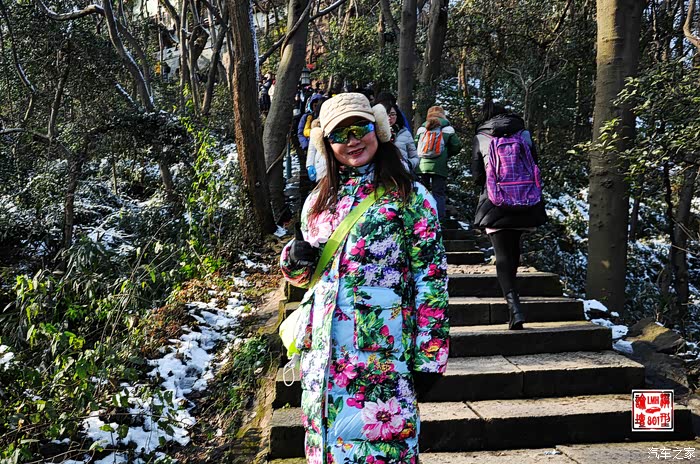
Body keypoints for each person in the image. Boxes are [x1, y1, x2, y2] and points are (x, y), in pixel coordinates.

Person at [280, 93, 449, 464]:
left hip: (381, 360)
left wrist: (430, 356)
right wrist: (293, 259)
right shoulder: (317, 202)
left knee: (384, 452)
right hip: (322, 359)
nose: (353, 140)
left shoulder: (411, 197)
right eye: (340, 135)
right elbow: (307, 279)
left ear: (380, 129)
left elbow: (431, 279)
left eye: (361, 128)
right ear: (326, 143)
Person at [471, 101, 547, 330]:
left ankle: (515, 309)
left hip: (496, 202)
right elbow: (535, 164)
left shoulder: (481, 137)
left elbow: (477, 176)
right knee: (513, 252)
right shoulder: (523, 134)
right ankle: (515, 307)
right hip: (525, 200)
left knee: (502, 255)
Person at [415, 106, 462, 221]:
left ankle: (422, 218)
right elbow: (457, 146)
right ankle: (439, 219)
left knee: (422, 192)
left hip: (422, 166)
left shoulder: (422, 128)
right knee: (438, 193)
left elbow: (414, 145)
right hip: (439, 167)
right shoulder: (448, 129)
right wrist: (446, 154)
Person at [384, 103, 419, 172]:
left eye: (392, 114)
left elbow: (415, 158)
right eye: (386, 115)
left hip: (401, 173)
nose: (389, 118)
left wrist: (408, 164)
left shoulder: (405, 133)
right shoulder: (376, 133)